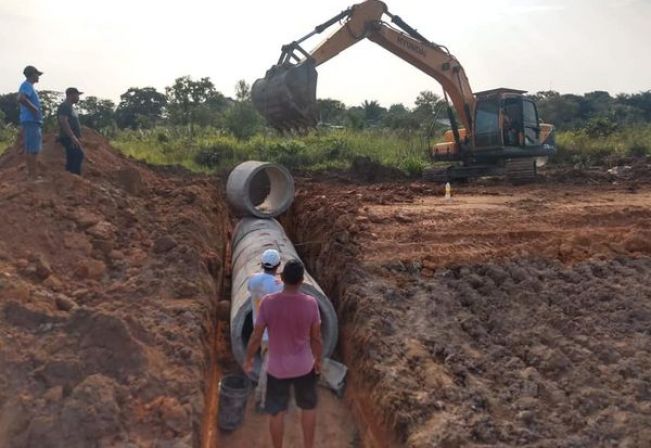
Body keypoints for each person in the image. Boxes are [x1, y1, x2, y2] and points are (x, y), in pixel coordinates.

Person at [244, 259, 322, 448]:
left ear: (282, 277)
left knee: (277, 411)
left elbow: (256, 336)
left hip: (277, 368)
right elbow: (316, 338)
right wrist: (318, 360)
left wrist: (248, 359)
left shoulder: (268, 303)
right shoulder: (311, 303)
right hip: (304, 366)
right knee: (308, 407)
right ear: (302, 280)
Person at [247, 248, 283, 409]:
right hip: (273, 333)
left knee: (267, 359)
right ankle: (262, 401)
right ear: (278, 266)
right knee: (268, 366)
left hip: (258, 328)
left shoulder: (253, 280)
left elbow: (255, 288)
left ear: (262, 264)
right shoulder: (279, 286)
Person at [17, 65, 44, 180]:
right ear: (32, 75)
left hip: (32, 121)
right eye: (37, 74)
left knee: (32, 149)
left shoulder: (29, 87)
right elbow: (21, 98)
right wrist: (34, 109)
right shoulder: (26, 86)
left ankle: (32, 175)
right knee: (32, 150)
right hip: (31, 121)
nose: (38, 77)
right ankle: (33, 176)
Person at [57, 87, 85, 175]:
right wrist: (72, 136)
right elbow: (63, 120)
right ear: (70, 95)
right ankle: (74, 177)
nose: (78, 98)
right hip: (68, 137)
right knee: (78, 155)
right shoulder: (64, 106)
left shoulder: (70, 107)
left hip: (72, 137)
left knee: (72, 158)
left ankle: (70, 177)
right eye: (77, 95)